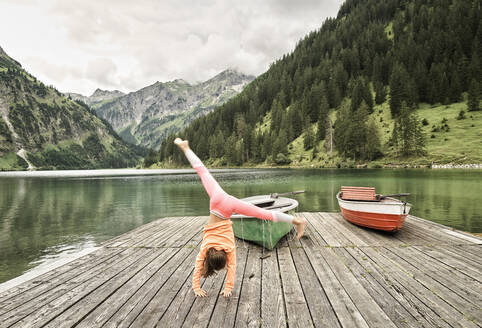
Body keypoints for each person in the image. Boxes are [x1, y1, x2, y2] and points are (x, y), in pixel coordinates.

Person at [174, 138, 307, 298]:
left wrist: (227, 288)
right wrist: (196, 287)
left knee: (263, 214)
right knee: (203, 172)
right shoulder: (206, 247)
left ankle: (296, 221)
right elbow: (198, 266)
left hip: (225, 205)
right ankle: (186, 148)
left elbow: (232, 267)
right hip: (218, 202)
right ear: (209, 257)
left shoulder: (229, 247)